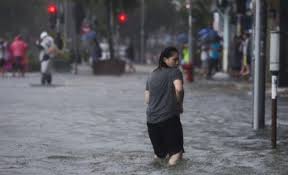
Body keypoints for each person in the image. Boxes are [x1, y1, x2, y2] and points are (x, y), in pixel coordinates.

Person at [145, 46, 184, 166]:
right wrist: (179, 103)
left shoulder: (152, 74)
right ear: (165, 60)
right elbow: (179, 88)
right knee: (176, 153)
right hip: (169, 119)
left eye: (178, 59)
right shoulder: (175, 72)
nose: (177, 62)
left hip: (151, 122)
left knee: (160, 156)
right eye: (174, 60)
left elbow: (147, 99)